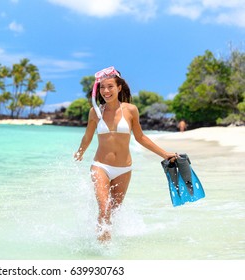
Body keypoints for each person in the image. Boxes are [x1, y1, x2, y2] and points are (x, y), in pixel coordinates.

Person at [74, 66, 176, 243]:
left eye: (110, 87)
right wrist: (80, 153)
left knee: (114, 211)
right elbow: (87, 136)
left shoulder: (130, 110)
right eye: (102, 87)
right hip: (101, 166)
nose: (106, 91)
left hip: (124, 169)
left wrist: (164, 154)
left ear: (119, 88)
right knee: (104, 209)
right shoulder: (95, 112)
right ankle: (103, 250)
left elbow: (141, 137)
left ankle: (108, 240)